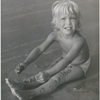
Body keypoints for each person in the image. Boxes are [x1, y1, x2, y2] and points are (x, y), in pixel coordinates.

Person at [5, 0, 90, 100]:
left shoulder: (79, 41)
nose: (68, 22)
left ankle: (31, 93)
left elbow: (68, 60)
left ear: (78, 21)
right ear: (56, 22)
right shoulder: (55, 35)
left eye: (72, 18)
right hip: (65, 58)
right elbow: (40, 49)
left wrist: (49, 73)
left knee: (57, 77)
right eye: (63, 19)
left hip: (79, 65)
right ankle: (24, 84)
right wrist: (25, 63)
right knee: (46, 71)